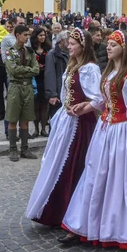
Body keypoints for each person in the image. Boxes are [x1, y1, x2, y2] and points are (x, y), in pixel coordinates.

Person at [59, 31, 127, 248]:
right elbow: (104, 102)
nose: (109, 47)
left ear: (125, 47)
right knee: (94, 174)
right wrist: (85, 107)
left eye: (114, 44)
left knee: (117, 180)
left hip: (121, 131)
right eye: (109, 44)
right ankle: (83, 225)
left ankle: (114, 228)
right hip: (104, 129)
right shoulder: (109, 71)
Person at [26, 29, 101, 226]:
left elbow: (98, 99)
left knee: (74, 164)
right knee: (58, 162)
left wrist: (82, 108)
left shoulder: (90, 68)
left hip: (82, 123)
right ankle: (56, 210)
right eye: (68, 43)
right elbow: (65, 92)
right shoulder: (72, 66)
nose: (69, 46)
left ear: (83, 46)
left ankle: (71, 212)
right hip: (66, 121)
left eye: (73, 44)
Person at [5, 25, 40, 161]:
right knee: (13, 119)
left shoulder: (30, 52)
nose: (27, 37)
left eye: (28, 35)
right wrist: (28, 70)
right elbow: (13, 70)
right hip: (15, 87)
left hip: (28, 87)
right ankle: (13, 149)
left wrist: (23, 70)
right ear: (17, 35)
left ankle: (25, 149)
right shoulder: (10, 52)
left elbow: (36, 69)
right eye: (25, 35)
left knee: (25, 119)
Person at [30, 27, 51, 137]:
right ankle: (36, 129)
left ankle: (43, 128)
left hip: (45, 79)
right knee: (35, 106)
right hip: (34, 79)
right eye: (40, 35)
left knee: (44, 106)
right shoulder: (31, 49)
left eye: (44, 35)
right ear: (36, 36)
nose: (43, 37)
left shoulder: (48, 48)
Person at [45, 30, 69, 118]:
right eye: (68, 40)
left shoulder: (69, 53)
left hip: (66, 92)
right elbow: (50, 75)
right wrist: (52, 94)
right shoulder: (52, 54)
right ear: (62, 41)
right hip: (57, 93)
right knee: (55, 120)